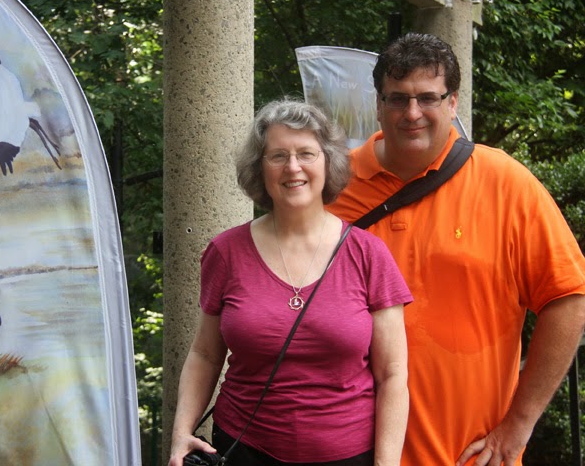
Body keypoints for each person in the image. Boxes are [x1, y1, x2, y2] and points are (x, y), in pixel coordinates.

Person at [326, 32, 585, 466]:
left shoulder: (504, 183)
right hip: (347, 452)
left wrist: (517, 428)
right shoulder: (332, 187)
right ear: (377, 103)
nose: (412, 113)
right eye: (397, 99)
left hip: (468, 455)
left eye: (428, 98)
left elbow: (570, 298)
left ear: (452, 102)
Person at [168, 99, 413, 466]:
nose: (293, 167)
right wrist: (180, 434)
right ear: (260, 168)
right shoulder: (226, 252)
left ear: (328, 162)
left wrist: (387, 463)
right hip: (244, 450)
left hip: (347, 455)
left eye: (306, 154)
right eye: (278, 156)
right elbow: (204, 353)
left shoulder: (369, 255)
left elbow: (393, 374)